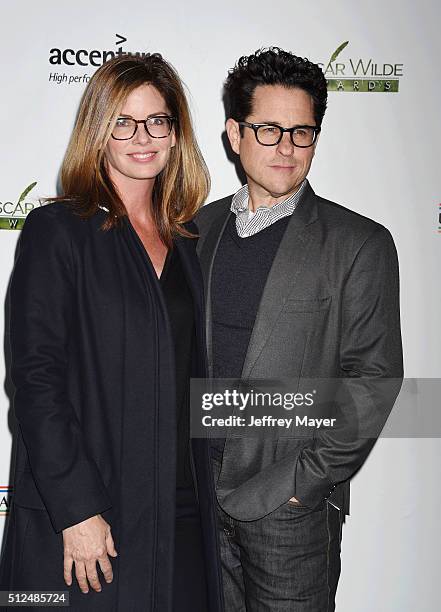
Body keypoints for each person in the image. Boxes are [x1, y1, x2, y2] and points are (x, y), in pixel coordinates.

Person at [0, 54, 224, 612]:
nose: (141, 137)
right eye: (122, 122)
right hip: (91, 514)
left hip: (180, 513)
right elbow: (35, 380)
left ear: (176, 134)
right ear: (98, 134)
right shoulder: (60, 231)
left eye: (157, 121)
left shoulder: (189, 242)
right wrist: (76, 509)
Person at [195, 47, 403, 611]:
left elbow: (375, 378)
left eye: (302, 132)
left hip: (290, 509)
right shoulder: (197, 229)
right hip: (193, 500)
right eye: (268, 130)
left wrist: (302, 484)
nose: (287, 147)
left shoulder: (358, 242)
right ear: (235, 135)